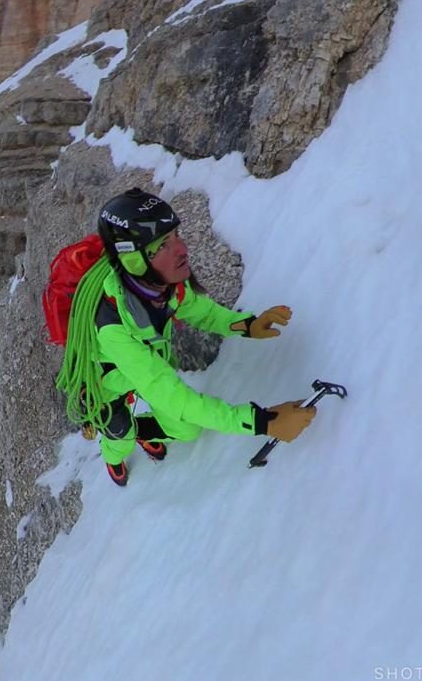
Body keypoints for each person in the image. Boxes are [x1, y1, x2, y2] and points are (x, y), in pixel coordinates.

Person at [56, 187, 316, 486]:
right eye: (163, 245)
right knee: (120, 436)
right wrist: (263, 421)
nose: (182, 249)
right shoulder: (112, 326)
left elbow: (200, 312)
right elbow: (172, 394)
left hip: (149, 368)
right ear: (132, 258)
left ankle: (143, 432)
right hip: (106, 386)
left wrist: (246, 325)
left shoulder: (160, 287)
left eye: (176, 236)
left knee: (188, 431)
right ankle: (113, 457)